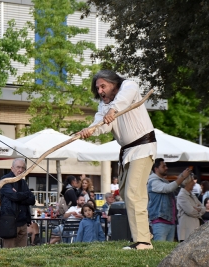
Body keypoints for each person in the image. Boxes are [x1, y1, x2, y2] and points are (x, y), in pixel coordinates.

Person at [79, 70, 157, 250]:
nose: (100, 91)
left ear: (114, 83)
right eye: (97, 88)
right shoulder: (104, 106)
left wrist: (114, 110)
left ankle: (143, 242)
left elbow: (123, 100)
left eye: (103, 86)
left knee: (133, 192)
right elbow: (101, 125)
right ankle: (145, 232)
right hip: (127, 151)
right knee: (126, 193)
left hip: (143, 147)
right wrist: (89, 130)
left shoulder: (129, 86)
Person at [147, 158, 191, 241]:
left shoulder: (164, 181)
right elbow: (169, 188)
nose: (166, 168)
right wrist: (182, 176)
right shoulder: (153, 181)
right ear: (156, 169)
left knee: (168, 251)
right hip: (160, 222)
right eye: (163, 166)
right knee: (160, 250)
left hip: (169, 221)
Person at [0, 158, 35, 248]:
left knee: (22, 252)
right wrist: (26, 194)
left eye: (23, 168)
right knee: (9, 251)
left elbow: (32, 200)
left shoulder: (23, 182)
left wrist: (19, 195)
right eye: (18, 167)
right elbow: (13, 196)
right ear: (12, 168)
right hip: (10, 221)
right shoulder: (5, 180)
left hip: (23, 222)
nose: (20, 170)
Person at [177, 175, 205, 242]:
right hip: (187, 231)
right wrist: (199, 210)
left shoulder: (193, 195)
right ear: (186, 183)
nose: (194, 183)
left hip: (195, 229)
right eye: (192, 181)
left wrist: (198, 209)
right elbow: (190, 211)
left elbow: (203, 208)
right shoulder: (182, 195)